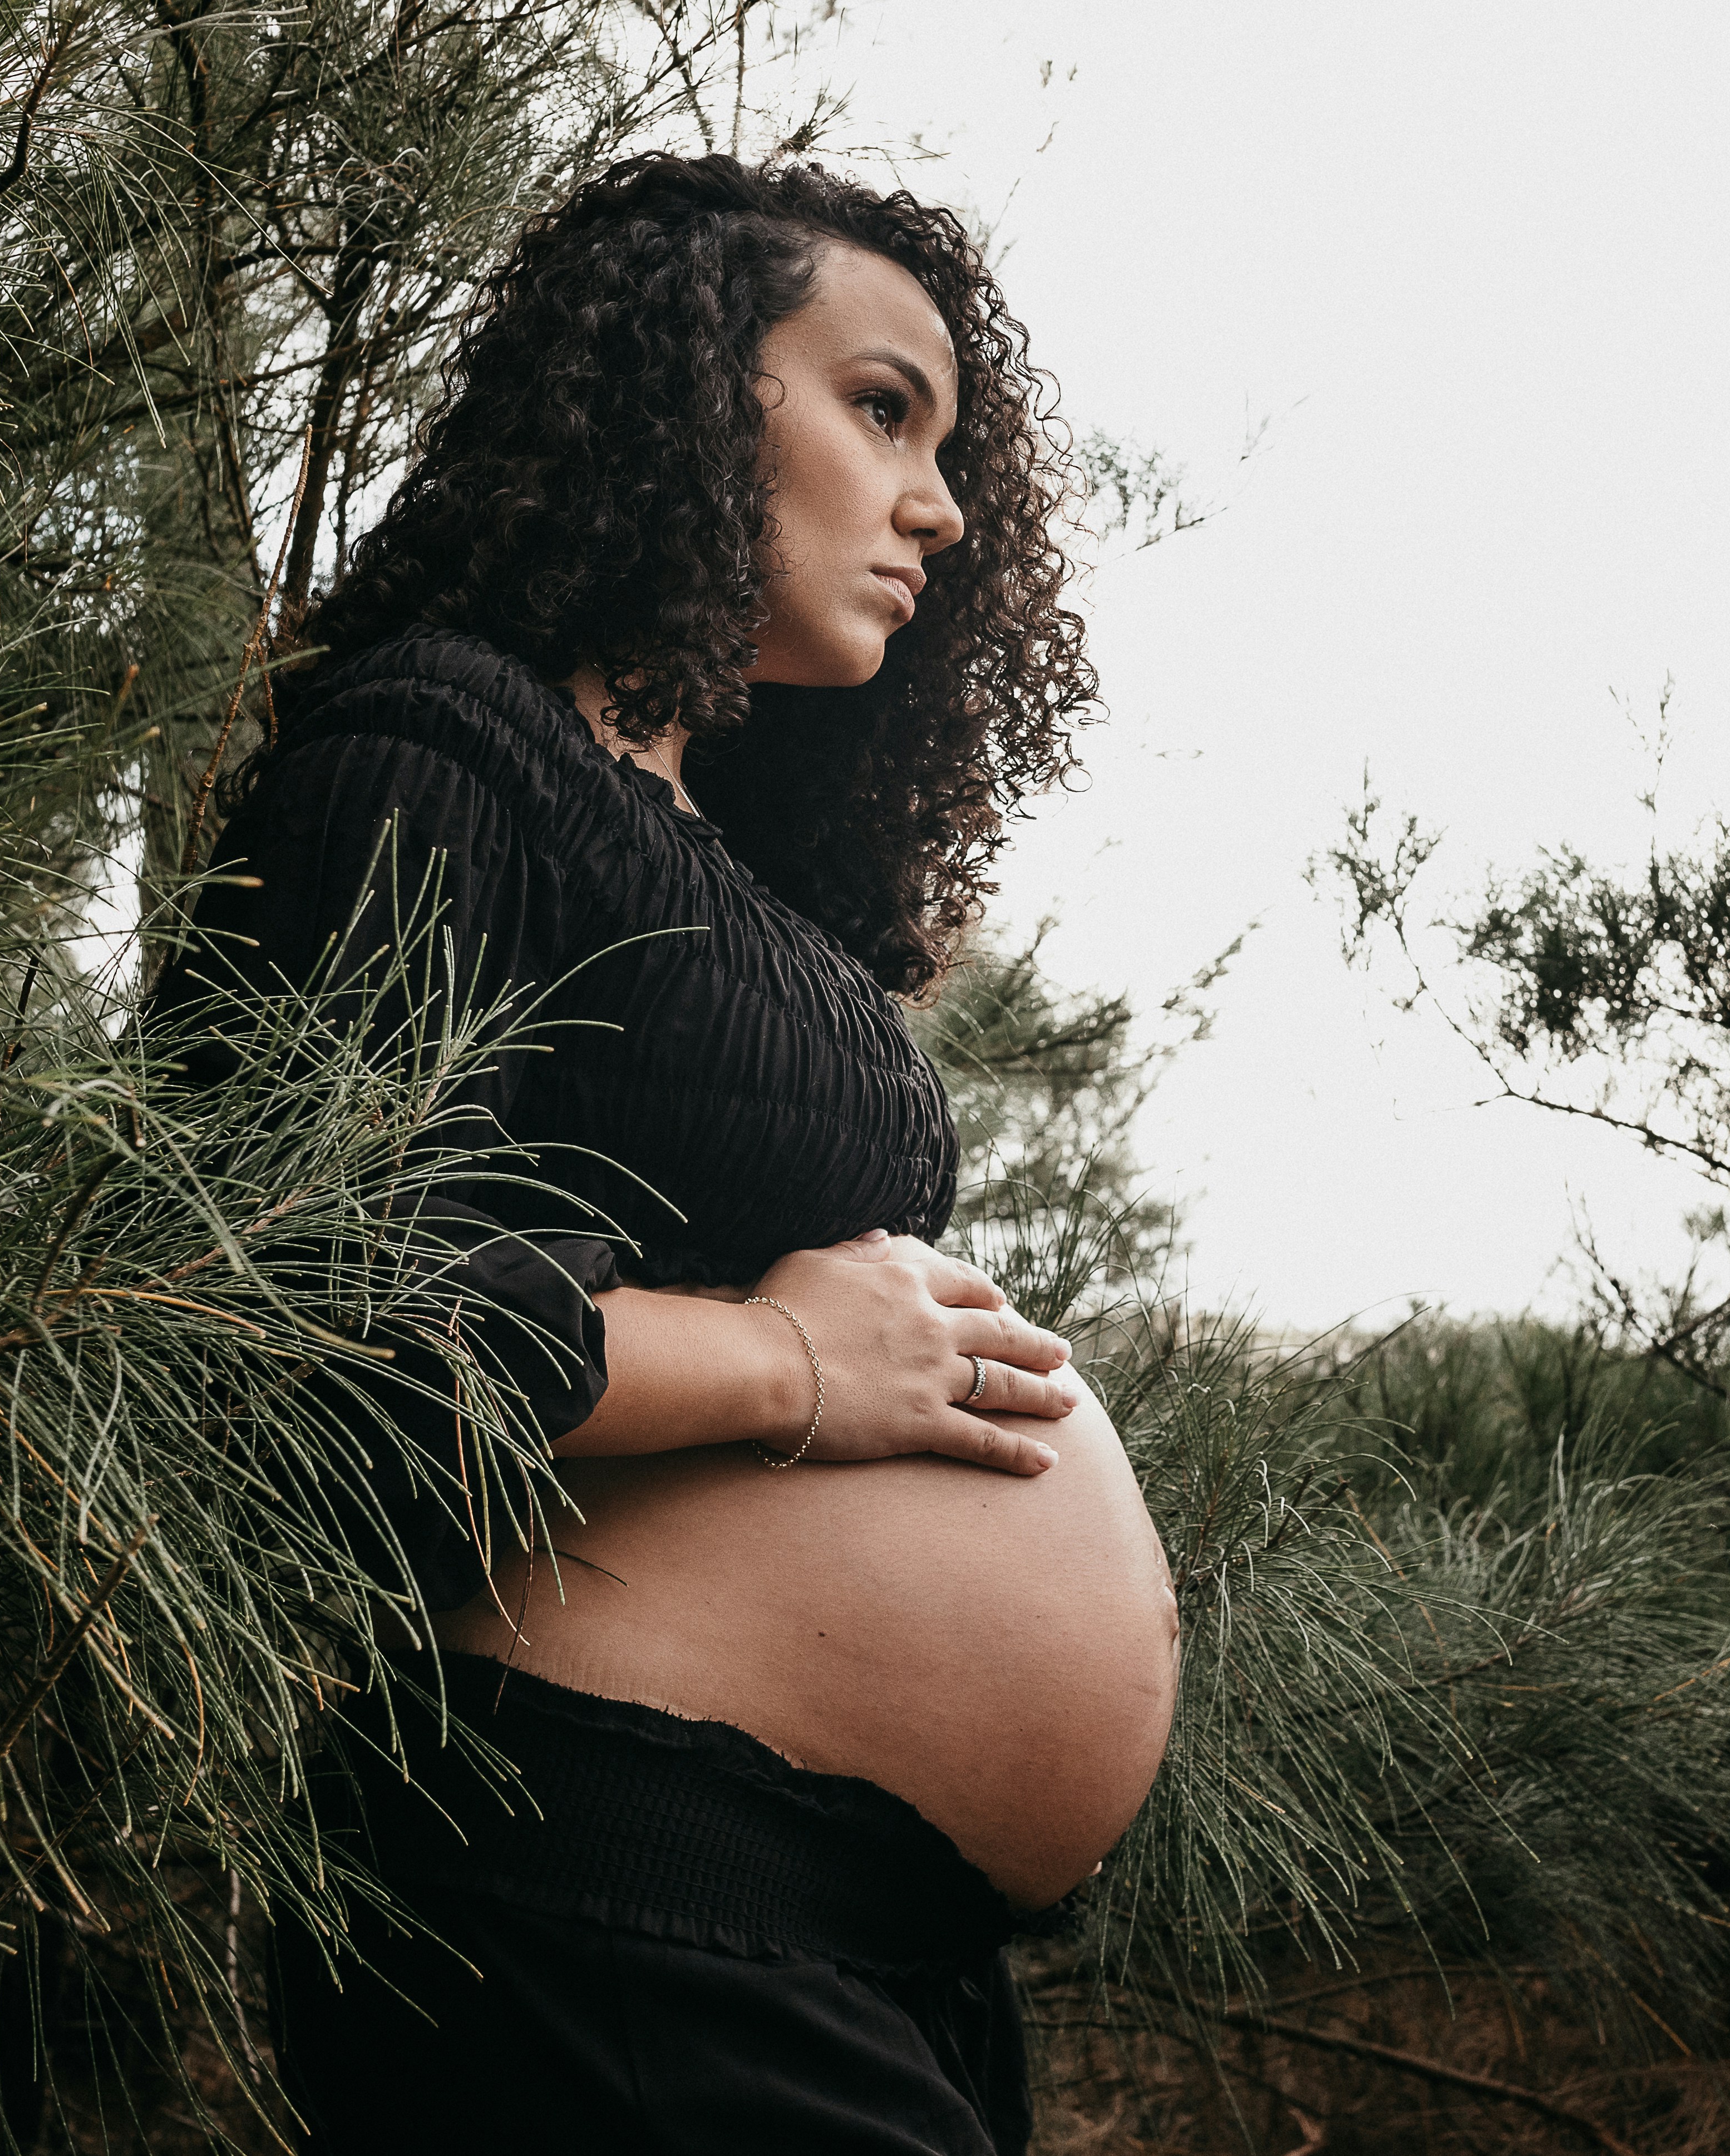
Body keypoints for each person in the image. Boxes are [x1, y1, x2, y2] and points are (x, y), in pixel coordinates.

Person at [155, 154, 1178, 2154]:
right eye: (882, 406)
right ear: (694, 392)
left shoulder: (724, 865)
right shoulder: (434, 742)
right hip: (588, 1884)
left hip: (807, 1921)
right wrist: (795, 1368)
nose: (941, 503)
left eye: (950, 442)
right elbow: (299, 1320)